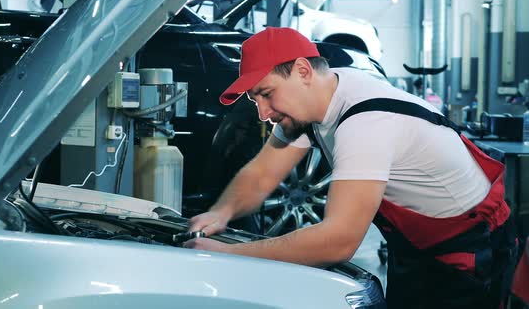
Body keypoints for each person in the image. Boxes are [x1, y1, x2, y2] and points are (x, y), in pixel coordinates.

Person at [184, 27, 517, 308]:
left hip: (467, 253)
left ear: (303, 71)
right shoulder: (321, 96)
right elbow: (261, 175)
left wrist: (234, 253)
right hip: (415, 245)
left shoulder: (365, 123)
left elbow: (338, 241)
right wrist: (221, 213)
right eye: (255, 99)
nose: (263, 112)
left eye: (267, 94)